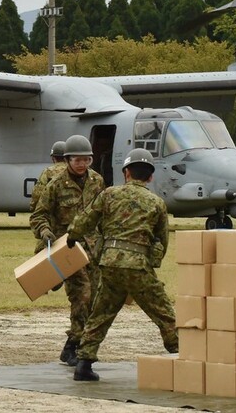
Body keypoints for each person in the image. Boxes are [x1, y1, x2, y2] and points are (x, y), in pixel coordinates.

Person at [68, 148, 178, 381]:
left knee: (101, 313)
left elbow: (85, 221)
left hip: (108, 264)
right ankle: (180, 354)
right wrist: (151, 263)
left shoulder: (108, 194)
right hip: (138, 266)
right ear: (150, 177)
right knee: (164, 313)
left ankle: (84, 363)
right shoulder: (157, 203)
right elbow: (161, 241)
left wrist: (71, 236)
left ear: (126, 173)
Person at [29, 135, 105, 367]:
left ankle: (79, 344)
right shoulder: (55, 184)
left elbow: (103, 213)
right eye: (77, 160)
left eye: (86, 160)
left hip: (93, 248)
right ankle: (73, 346)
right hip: (67, 248)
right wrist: (44, 232)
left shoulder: (97, 181)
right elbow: (38, 215)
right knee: (82, 294)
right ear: (68, 160)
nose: (82, 165)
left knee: (95, 298)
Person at [28, 141, 66, 215]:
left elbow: (37, 193)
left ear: (53, 157)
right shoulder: (74, 171)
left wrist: (34, 208)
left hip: (52, 213)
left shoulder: (48, 172)